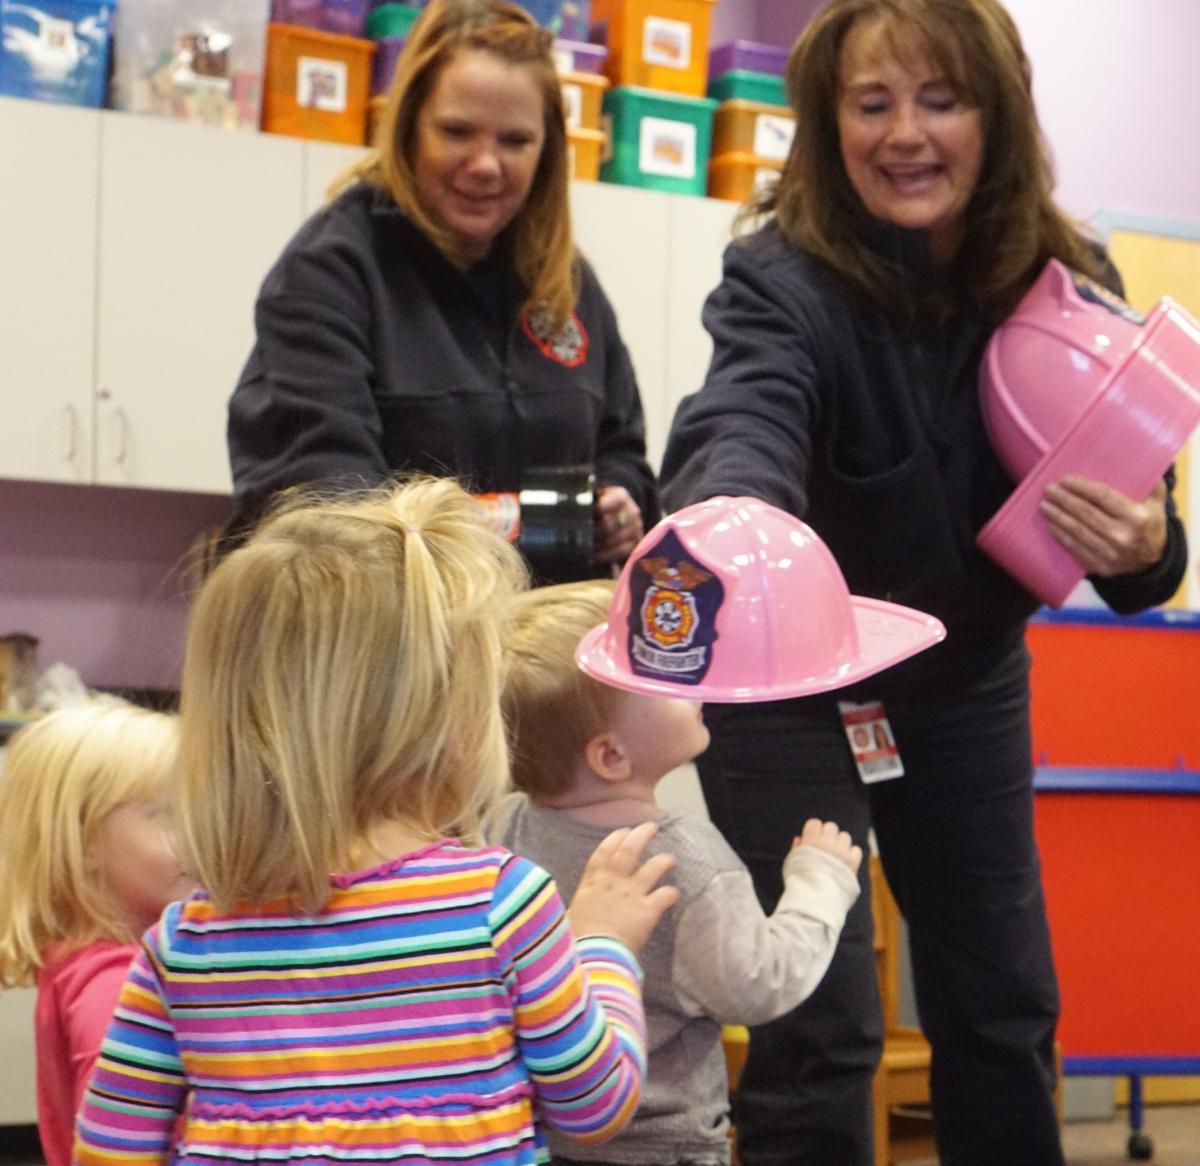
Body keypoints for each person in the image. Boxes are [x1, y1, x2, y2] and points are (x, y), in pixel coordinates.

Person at [657, 2, 1188, 1164]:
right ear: (826, 121)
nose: (907, 134)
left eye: (940, 99)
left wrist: (1142, 539)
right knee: (816, 1022)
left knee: (1000, 1004)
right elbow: (741, 417)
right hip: (795, 694)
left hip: (961, 681)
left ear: (994, 115)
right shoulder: (779, 278)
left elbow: (1155, 546)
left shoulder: (1067, 277)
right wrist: (736, 519)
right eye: (872, 103)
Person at [73, 477, 679, 1166]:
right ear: (453, 719)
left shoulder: (186, 940)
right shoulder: (501, 906)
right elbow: (596, 1106)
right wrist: (604, 947)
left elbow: (110, 1149)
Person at [225, 0, 656, 575]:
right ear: (409, 127)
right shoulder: (329, 271)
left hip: (543, 646)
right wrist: (533, 524)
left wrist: (618, 506)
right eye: (457, 132)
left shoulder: (568, 283)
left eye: (515, 141)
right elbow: (325, 508)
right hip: (389, 644)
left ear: (547, 150)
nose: (485, 164)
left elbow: (622, 451)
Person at [485, 579, 863, 1166]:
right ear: (611, 756)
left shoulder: (505, 829)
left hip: (541, 1139)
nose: (686, 680)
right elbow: (758, 983)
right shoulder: (684, 858)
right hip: (666, 1146)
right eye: (657, 680)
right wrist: (822, 884)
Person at [0, 703, 190, 1166]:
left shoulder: (81, 964)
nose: (202, 835)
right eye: (168, 814)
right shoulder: (116, 981)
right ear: (81, 843)